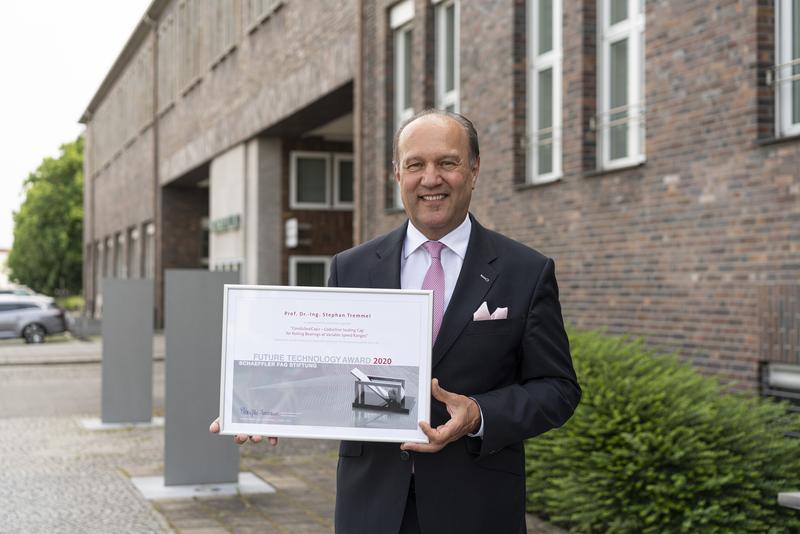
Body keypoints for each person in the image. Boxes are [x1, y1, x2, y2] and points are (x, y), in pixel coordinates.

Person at [212, 109, 581, 533]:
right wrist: (264, 408)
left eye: (447, 163)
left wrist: (480, 413)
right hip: (371, 505)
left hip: (476, 507)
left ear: (474, 169)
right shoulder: (351, 268)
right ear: (397, 173)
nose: (430, 179)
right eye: (415, 165)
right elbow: (326, 371)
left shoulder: (525, 271)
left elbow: (558, 389)